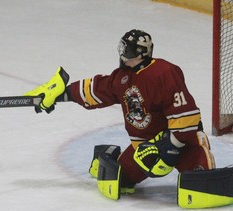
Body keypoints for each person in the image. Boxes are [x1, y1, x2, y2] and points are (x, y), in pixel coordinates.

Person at [25, 29, 216, 197]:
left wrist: (172, 147)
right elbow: (97, 89)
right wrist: (60, 94)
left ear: (141, 54)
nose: (124, 56)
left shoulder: (164, 73)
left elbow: (185, 115)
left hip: (179, 142)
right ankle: (106, 154)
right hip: (143, 148)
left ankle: (199, 142)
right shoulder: (122, 78)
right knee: (120, 180)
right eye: (123, 50)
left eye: (128, 51)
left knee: (200, 182)